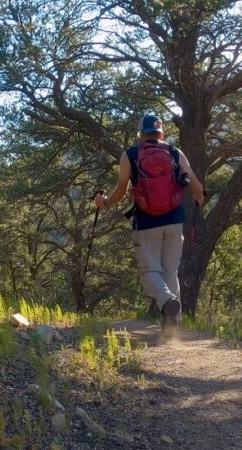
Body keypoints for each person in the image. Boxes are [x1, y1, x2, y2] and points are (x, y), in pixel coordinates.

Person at [95, 114, 204, 337]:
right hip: (175, 221)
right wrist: (198, 202)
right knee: (170, 272)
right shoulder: (175, 152)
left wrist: (104, 202)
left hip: (146, 222)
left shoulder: (131, 154)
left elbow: (121, 191)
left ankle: (167, 302)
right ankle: (173, 327)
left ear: (141, 134)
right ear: (161, 132)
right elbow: (195, 183)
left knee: (149, 273)